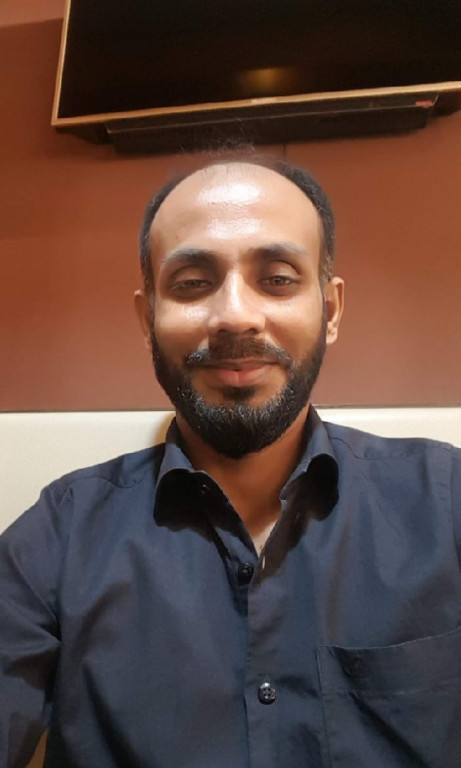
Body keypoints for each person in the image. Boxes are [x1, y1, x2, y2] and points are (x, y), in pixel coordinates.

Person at [1, 155, 460, 768]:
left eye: (278, 279)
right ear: (147, 319)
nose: (235, 315)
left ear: (331, 310)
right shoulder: (58, 536)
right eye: (192, 283)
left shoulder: (446, 501)